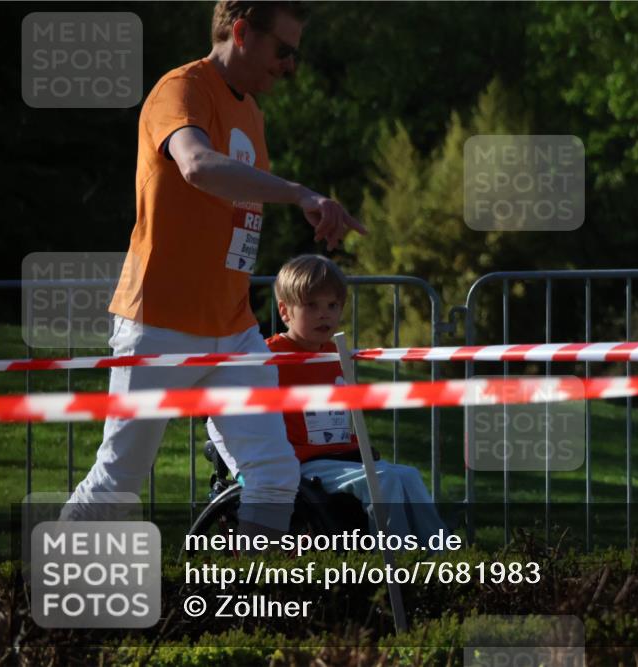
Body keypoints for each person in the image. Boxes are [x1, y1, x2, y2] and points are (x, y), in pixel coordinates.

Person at [64, 2, 366, 539]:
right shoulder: (179, 90)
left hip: (234, 329)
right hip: (157, 320)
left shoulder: (252, 112)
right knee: (117, 483)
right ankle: (39, 596)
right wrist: (299, 194)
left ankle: (247, 604)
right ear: (243, 33)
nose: (291, 65)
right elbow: (198, 166)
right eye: (284, 50)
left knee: (275, 475)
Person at [207, 255, 447, 543]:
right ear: (285, 311)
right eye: (312, 305)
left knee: (409, 475)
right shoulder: (267, 355)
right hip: (302, 463)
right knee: (384, 482)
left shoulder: (336, 354)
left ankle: (440, 556)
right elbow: (221, 417)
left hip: (343, 457)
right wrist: (245, 470)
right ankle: (396, 563)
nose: (325, 314)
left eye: (333, 305)